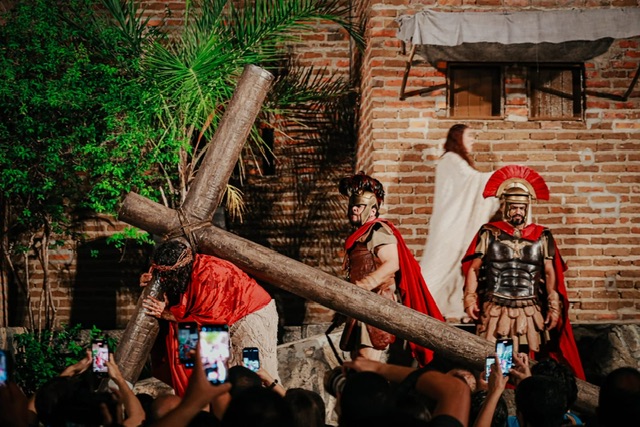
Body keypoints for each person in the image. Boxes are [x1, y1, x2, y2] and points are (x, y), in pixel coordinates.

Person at [462, 165, 584, 379]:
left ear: (527, 208)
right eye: (513, 207)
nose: (518, 212)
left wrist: (553, 306)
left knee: (528, 358)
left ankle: (525, 393)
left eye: (521, 208)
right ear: (506, 207)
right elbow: (473, 268)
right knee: (496, 360)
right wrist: (470, 298)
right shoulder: (489, 233)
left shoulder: (542, 236)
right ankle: (497, 393)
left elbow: (550, 273)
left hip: (529, 308)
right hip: (496, 307)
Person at [141, 239, 279, 396]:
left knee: (255, 374)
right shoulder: (183, 269)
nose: (165, 279)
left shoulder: (209, 276)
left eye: (167, 276)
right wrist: (152, 282)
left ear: (179, 271)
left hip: (249, 314)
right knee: (223, 380)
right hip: (220, 320)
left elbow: (211, 319)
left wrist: (165, 313)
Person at [338, 172, 443, 364]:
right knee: (359, 360)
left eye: (359, 206)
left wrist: (364, 284)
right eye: (352, 205)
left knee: (367, 362)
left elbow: (392, 263)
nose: (354, 209)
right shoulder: (362, 234)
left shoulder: (377, 230)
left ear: (372, 210)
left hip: (376, 302)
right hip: (363, 302)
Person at [420, 124, 499, 321]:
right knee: (440, 265)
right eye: (469, 135)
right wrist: (499, 177)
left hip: (453, 224)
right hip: (450, 225)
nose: (473, 140)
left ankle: (441, 307)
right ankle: (421, 303)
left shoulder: (454, 161)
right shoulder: (450, 160)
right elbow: (472, 181)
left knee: (454, 267)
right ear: (458, 137)